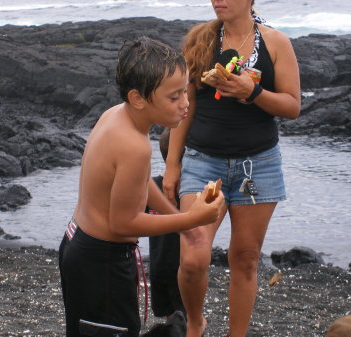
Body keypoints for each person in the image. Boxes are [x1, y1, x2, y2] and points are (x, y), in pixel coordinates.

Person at [58, 36, 225, 337]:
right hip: (103, 261)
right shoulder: (135, 147)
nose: (186, 104)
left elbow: (139, 183)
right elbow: (122, 222)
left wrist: (179, 223)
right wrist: (194, 218)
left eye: (185, 92)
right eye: (173, 98)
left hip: (78, 244)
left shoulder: (117, 116)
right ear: (138, 98)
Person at [162, 0, 301, 336]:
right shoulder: (200, 41)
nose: (218, 0)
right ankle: (196, 322)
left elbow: (292, 106)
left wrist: (251, 91)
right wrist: (171, 166)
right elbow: (186, 105)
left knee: (246, 258)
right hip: (202, 161)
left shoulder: (276, 43)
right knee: (194, 259)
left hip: (258, 164)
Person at [146, 128, 185, 319]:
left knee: (172, 316)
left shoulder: (151, 186)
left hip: (157, 264)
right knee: (185, 316)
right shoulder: (191, 191)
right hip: (178, 267)